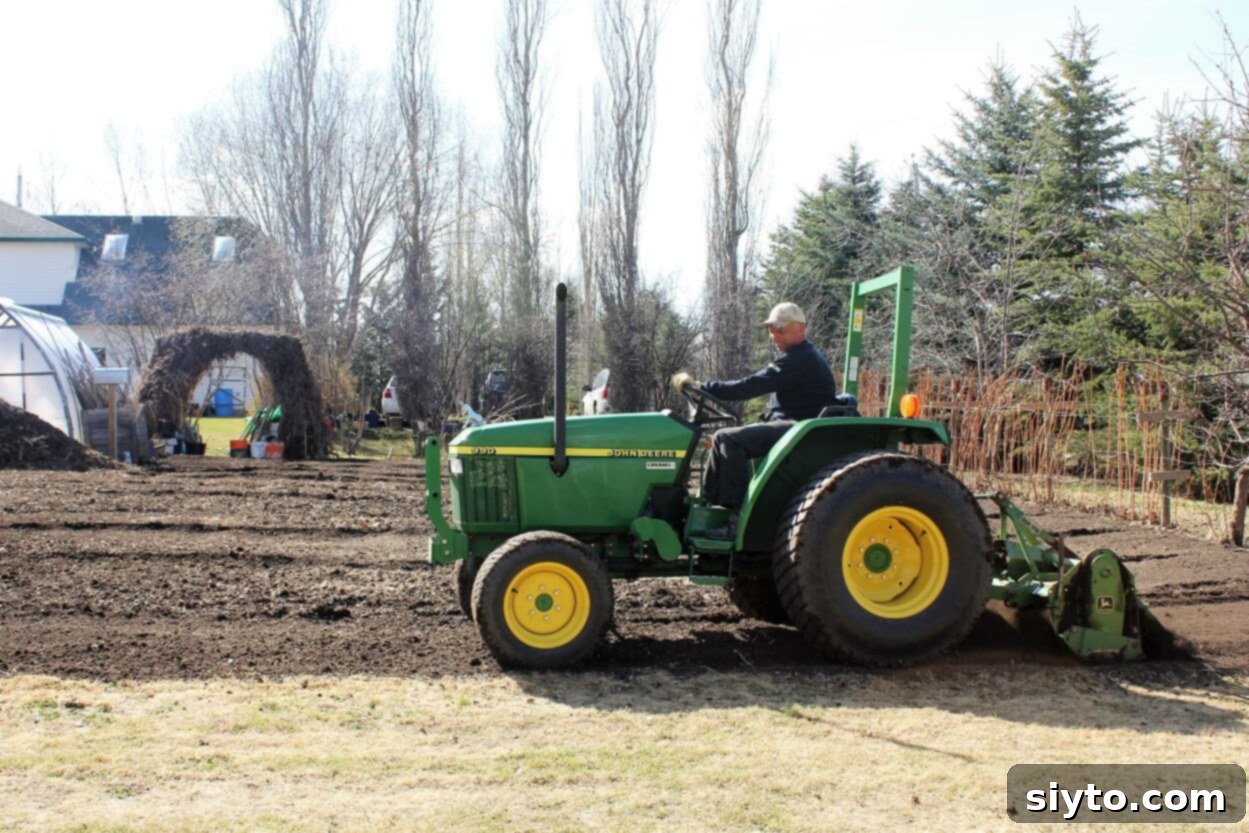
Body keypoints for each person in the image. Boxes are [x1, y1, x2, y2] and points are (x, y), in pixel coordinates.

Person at [672, 301, 838, 539]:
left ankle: (735, 522)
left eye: (779, 329)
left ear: (800, 329)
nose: (773, 335)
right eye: (770, 330)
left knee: (730, 439)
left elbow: (751, 386)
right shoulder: (796, 356)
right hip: (792, 422)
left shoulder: (801, 358)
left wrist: (704, 387)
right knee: (721, 437)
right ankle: (708, 506)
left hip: (800, 426)